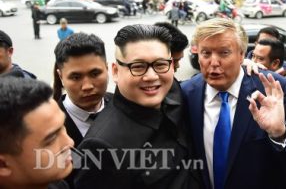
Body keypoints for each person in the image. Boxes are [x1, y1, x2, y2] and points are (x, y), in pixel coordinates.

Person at [181, 18, 286, 189]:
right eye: (206, 53)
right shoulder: (186, 93)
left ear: (242, 54)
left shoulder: (275, 89)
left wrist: (280, 132)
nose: (213, 62)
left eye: (224, 53)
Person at [75, 24, 201, 189]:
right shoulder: (101, 146)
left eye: (160, 64)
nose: (151, 76)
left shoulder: (173, 91)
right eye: (138, 67)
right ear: (115, 71)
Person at [0, 77, 74, 189]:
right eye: (51, 139)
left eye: (63, 127)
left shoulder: (57, 185)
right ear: (3, 165)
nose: (70, 142)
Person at [53, 32, 111, 147]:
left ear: (107, 68)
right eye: (76, 77)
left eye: (95, 74)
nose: (87, 86)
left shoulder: (123, 108)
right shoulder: (48, 126)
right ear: (61, 77)